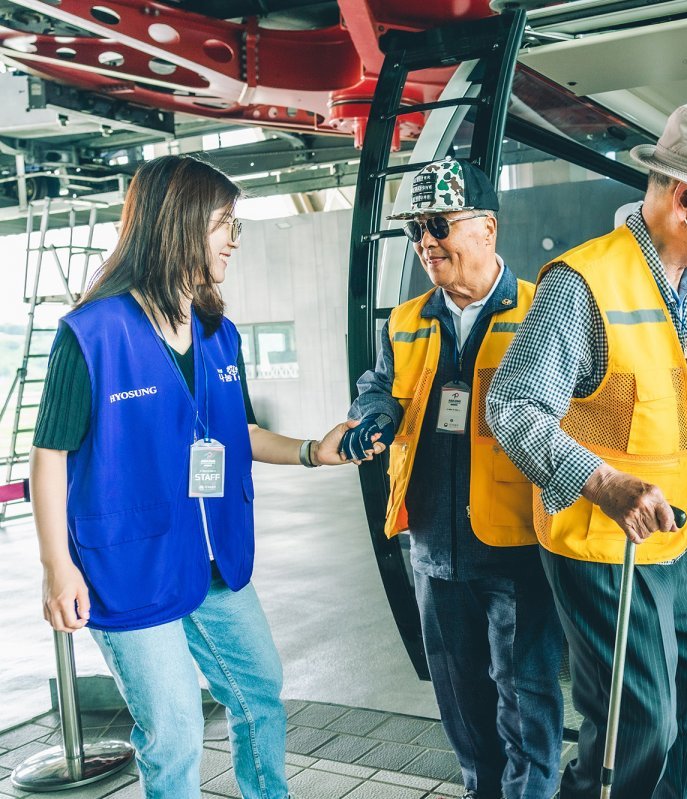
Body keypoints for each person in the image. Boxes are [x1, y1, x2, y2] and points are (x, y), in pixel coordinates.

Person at [486, 100, 687, 798]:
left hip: (683, 534)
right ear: (684, 195)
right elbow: (512, 407)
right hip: (606, 545)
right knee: (640, 723)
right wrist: (604, 483)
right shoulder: (581, 284)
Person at [30, 154, 358, 799]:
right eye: (224, 224)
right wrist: (57, 567)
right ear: (178, 226)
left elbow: (237, 435)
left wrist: (314, 452)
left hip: (213, 557)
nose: (235, 239)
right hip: (130, 564)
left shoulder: (218, 333)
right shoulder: (92, 333)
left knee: (259, 692)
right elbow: (50, 455)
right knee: (174, 730)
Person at [339, 157, 563, 799]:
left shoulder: (544, 311)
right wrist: (374, 414)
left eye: (438, 224)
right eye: (415, 231)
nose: (426, 243)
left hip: (518, 545)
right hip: (434, 543)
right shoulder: (407, 319)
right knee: (461, 702)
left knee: (526, 699)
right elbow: (379, 384)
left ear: (486, 229)